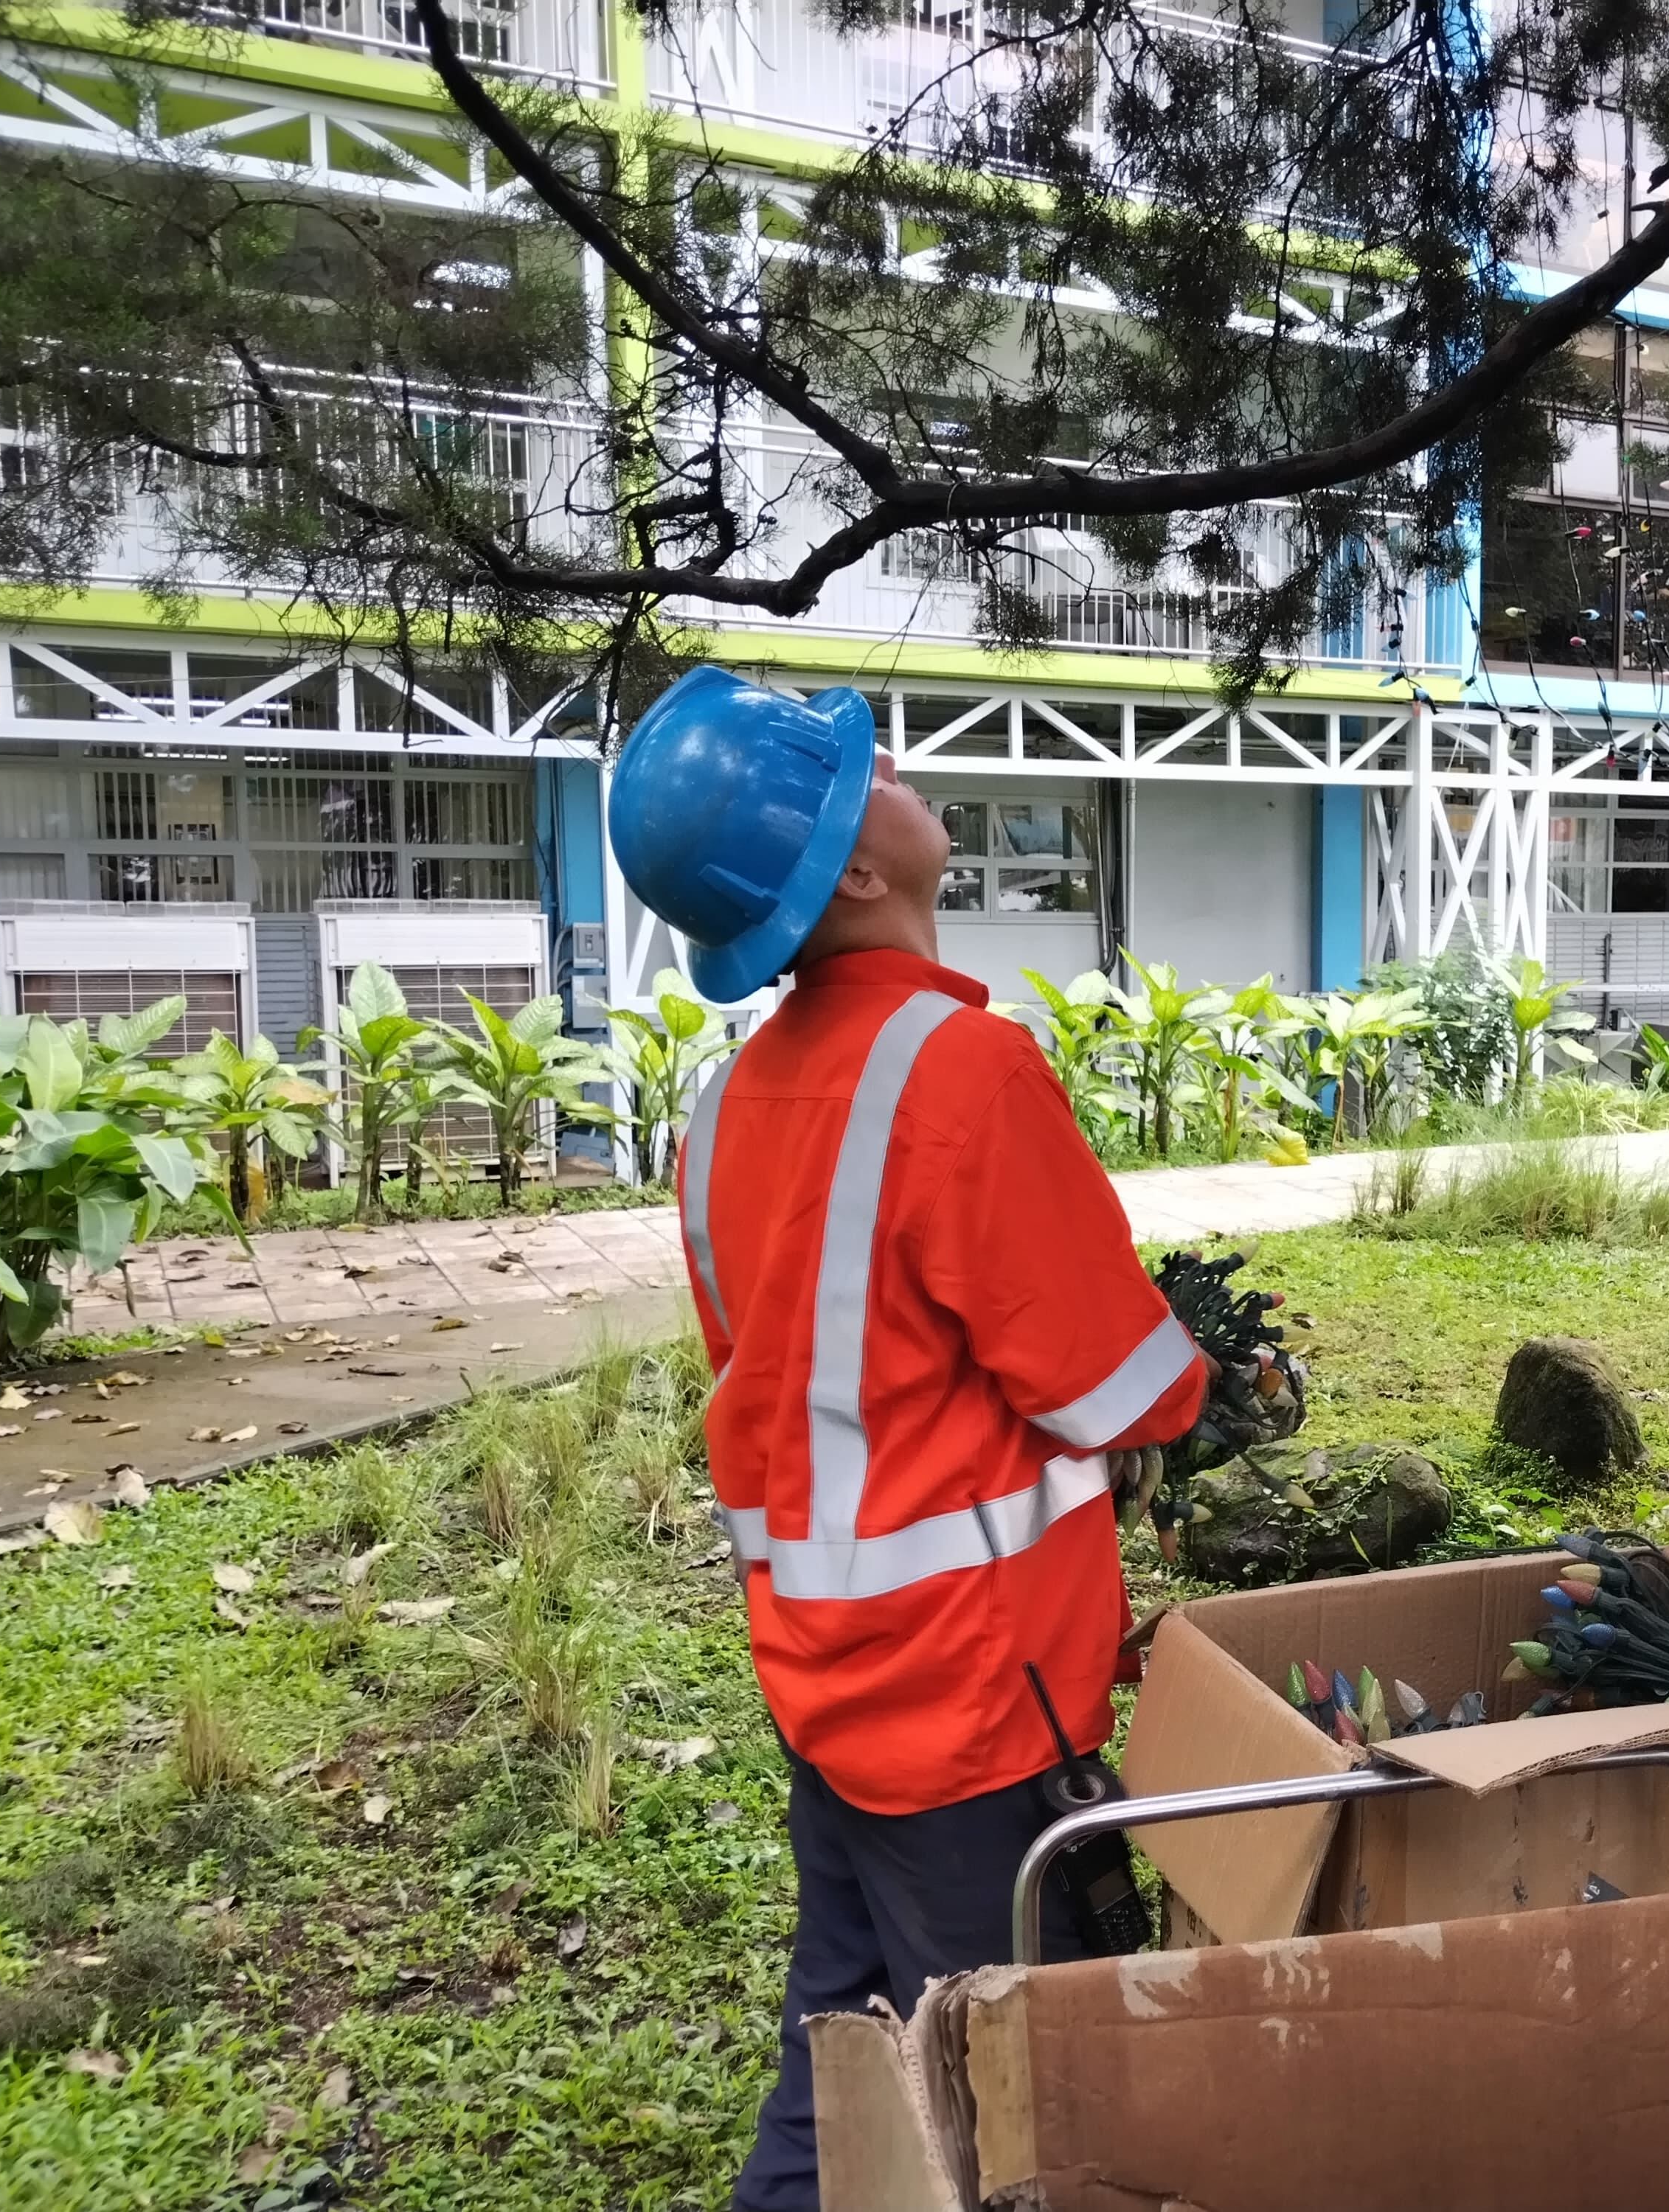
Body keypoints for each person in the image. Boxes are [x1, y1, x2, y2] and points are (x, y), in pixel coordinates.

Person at [607, 669, 1212, 2211]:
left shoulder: (729, 1103)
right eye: (857, 772)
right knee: (1027, 2105)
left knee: (847, 2053)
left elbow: (801, 1382)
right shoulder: (964, 1073)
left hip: (828, 1682)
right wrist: (1207, 1365)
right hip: (975, 1708)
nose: (893, 775)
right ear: (857, 869)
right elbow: (1126, 1390)